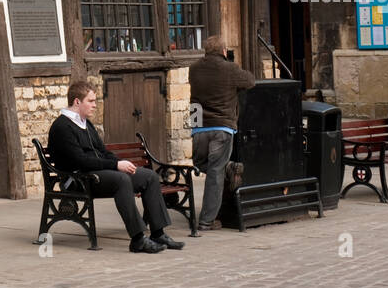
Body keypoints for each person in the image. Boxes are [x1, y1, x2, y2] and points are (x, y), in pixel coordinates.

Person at [47, 81, 184, 253]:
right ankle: (138, 239)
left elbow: (102, 152)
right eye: (91, 101)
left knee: (148, 176)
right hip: (77, 180)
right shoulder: (62, 127)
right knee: (121, 180)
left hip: (96, 174)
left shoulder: (85, 123)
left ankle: (158, 233)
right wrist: (116, 165)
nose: (95, 105)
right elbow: (80, 161)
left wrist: (121, 163)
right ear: (77, 102)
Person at [188, 35, 255, 231]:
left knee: (200, 164)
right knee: (216, 172)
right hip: (222, 127)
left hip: (198, 124)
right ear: (224, 51)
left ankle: (227, 169)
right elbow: (250, 81)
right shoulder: (230, 68)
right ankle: (207, 221)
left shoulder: (194, 68)